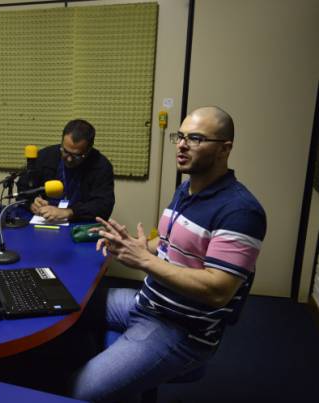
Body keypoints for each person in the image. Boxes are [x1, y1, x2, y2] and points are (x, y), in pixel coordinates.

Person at [71, 106, 267, 402]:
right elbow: (166, 242)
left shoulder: (240, 211)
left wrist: (144, 260)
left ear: (224, 149)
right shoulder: (186, 190)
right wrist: (132, 245)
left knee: (78, 393)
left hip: (180, 329)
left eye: (196, 138)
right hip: (147, 303)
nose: (182, 145)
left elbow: (218, 290)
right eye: (181, 136)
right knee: (66, 304)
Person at [17, 119, 114, 222]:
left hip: (79, 223)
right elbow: (23, 188)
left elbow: (103, 206)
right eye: (65, 152)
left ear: (89, 150)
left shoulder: (101, 166)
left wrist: (69, 212)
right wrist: (32, 202)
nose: (69, 159)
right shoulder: (45, 156)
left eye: (76, 156)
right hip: (44, 219)